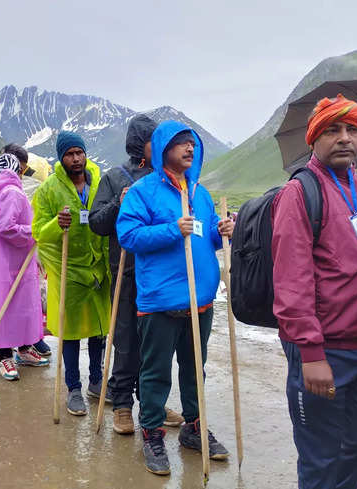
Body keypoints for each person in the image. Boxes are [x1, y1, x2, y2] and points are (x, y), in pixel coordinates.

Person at [271, 94, 357, 489]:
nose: (344, 138)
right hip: (322, 347)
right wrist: (310, 353)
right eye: (332, 130)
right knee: (321, 456)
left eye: (352, 130)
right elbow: (291, 280)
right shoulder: (300, 192)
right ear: (314, 139)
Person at [117, 120, 233, 475]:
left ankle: (194, 428)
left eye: (193, 143)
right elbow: (128, 235)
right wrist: (172, 229)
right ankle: (152, 431)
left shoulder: (199, 192)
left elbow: (205, 236)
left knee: (194, 368)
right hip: (161, 301)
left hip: (201, 299)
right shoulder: (143, 191)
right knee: (155, 371)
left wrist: (220, 231)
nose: (189, 148)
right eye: (181, 142)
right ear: (164, 147)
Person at [90, 114, 184, 434]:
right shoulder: (114, 177)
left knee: (155, 344)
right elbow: (97, 223)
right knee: (127, 342)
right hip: (126, 272)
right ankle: (121, 405)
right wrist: (120, 201)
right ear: (139, 142)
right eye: (153, 139)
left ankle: (151, 403)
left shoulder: (166, 177)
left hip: (159, 274)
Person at [32, 131, 111, 416]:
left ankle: (96, 380)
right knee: (70, 332)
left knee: (99, 329)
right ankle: (73, 387)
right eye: (70, 154)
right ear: (61, 157)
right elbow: (39, 232)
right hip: (69, 271)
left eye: (80, 152)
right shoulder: (49, 190)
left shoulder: (101, 183)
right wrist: (57, 223)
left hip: (98, 270)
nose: (76, 159)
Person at [0, 153, 49, 380]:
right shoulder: (12, 192)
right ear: (19, 170)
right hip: (13, 260)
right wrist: (34, 232)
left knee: (22, 307)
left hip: (16, 259)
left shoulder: (1, 190)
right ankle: (5, 357)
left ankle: (24, 349)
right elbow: (6, 227)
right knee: (8, 308)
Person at [0, 143, 51, 357]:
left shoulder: (30, 185)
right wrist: (35, 231)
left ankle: (26, 345)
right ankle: (4, 351)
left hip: (27, 252)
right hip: (10, 255)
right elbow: (4, 226)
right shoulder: (8, 190)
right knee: (8, 302)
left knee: (25, 301)